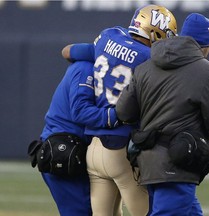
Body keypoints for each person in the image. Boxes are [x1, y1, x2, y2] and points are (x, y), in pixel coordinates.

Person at [61, 4, 177, 216]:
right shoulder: (149, 58)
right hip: (121, 149)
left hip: (94, 150)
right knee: (147, 212)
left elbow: (72, 50)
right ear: (155, 31)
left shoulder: (108, 36)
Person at [116, 13, 209, 216]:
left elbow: (124, 111)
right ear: (204, 46)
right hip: (179, 162)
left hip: (148, 162)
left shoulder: (145, 67)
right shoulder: (207, 72)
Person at [34, 60, 122, 216]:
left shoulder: (101, 64)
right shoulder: (85, 68)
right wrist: (118, 115)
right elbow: (81, 111)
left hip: (81, 149)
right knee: (82, 211)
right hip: (65, 151)